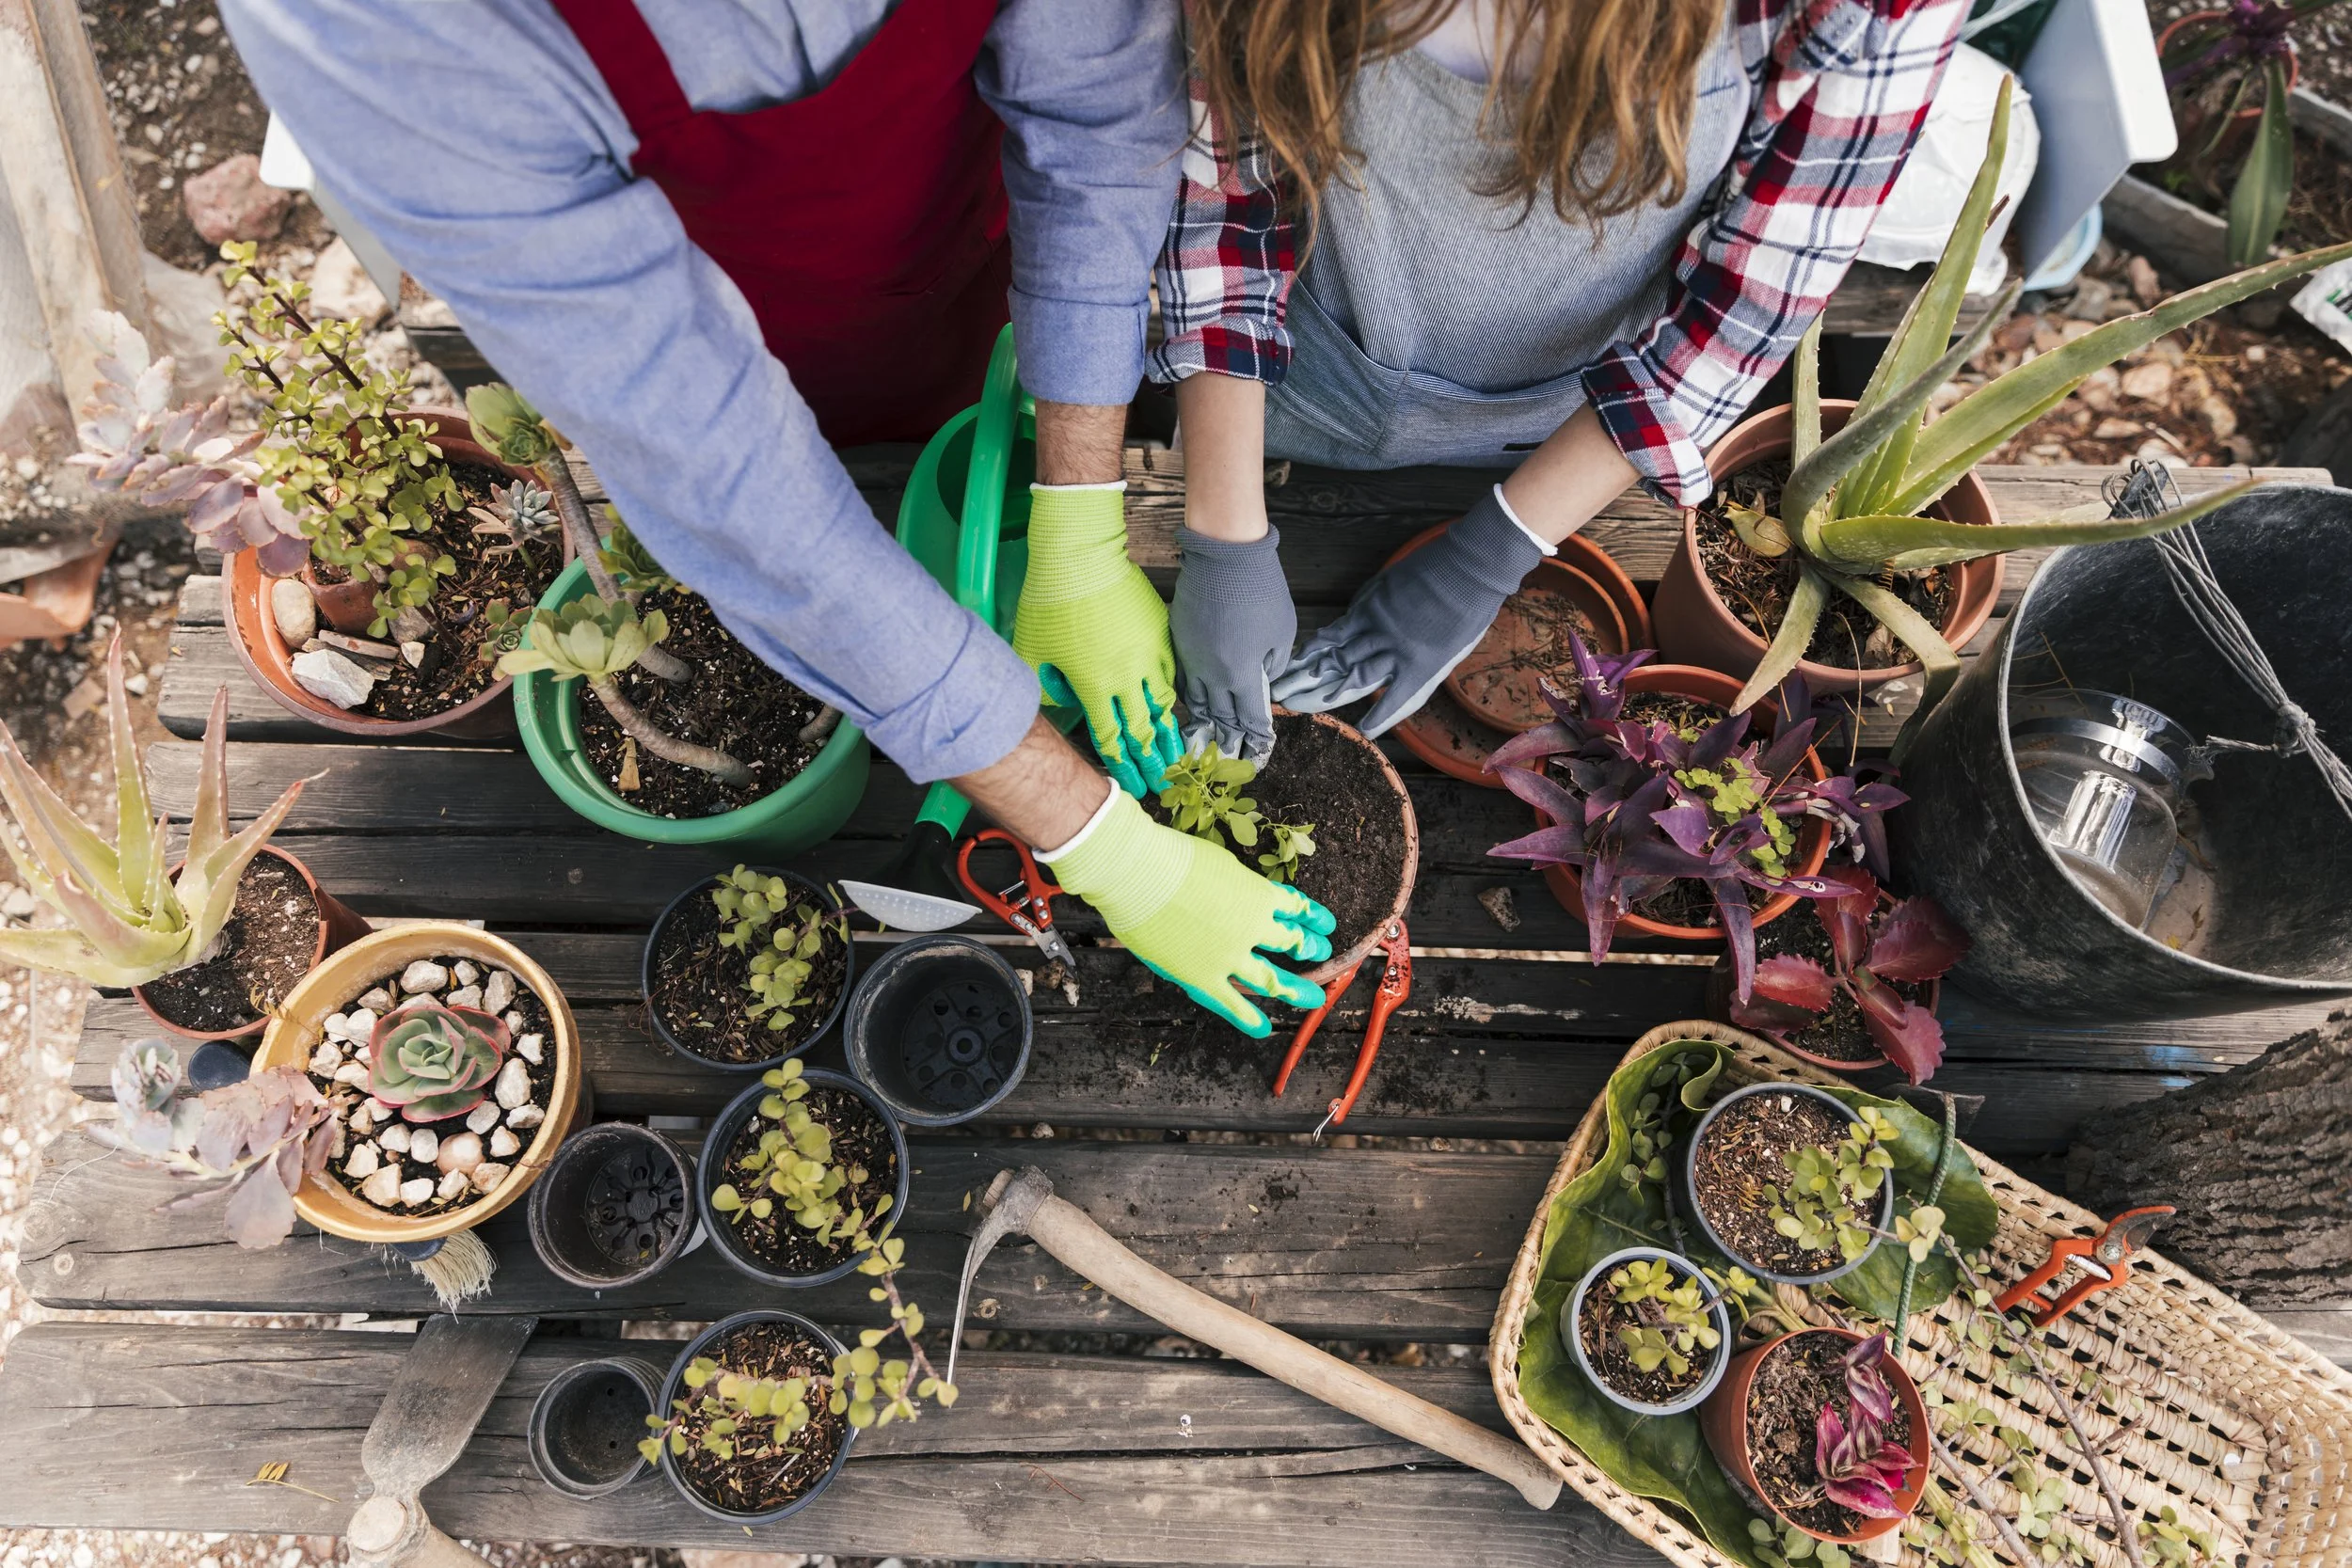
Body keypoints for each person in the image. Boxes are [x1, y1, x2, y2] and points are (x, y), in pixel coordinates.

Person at [215, 0, 1333, 1037]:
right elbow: (735, 495)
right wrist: (1107, 849)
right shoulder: (373, 24)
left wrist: (1082, 524)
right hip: (711, 333)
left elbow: (1093, 116)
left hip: (976, 248)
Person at [1155, 0, 1971, 764]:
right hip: (1302, 375)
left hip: (1574, 423)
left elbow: (1748, 302)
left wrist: (1489, 553)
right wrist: (1224, 538)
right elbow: (1220, 202)